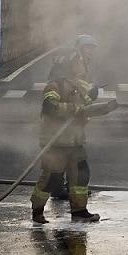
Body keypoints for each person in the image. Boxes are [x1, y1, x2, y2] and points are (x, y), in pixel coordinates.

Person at [31, 71, 99, 223]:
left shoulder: (79, 87)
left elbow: (84, 107)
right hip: (56, 142)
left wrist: (91, 98)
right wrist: (73, 108)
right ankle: (37, 211)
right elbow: (49, 106)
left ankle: (79, 210)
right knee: (51, 179)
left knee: (81, 176)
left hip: (75, 141)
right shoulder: (55, 86)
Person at [45, 36, 99, 201]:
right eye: (88, 48)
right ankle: (59, 189)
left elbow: (81, 92)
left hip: (74, 120)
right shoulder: (73, 62)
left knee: (71, 158)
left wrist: (90, 95)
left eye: (92, 48)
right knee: (62, 157)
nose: (91, 51)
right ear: (79, 48)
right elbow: (69, 91)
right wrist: (74, 107)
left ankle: (70, 189)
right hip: (63, 121)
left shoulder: (82, 63)